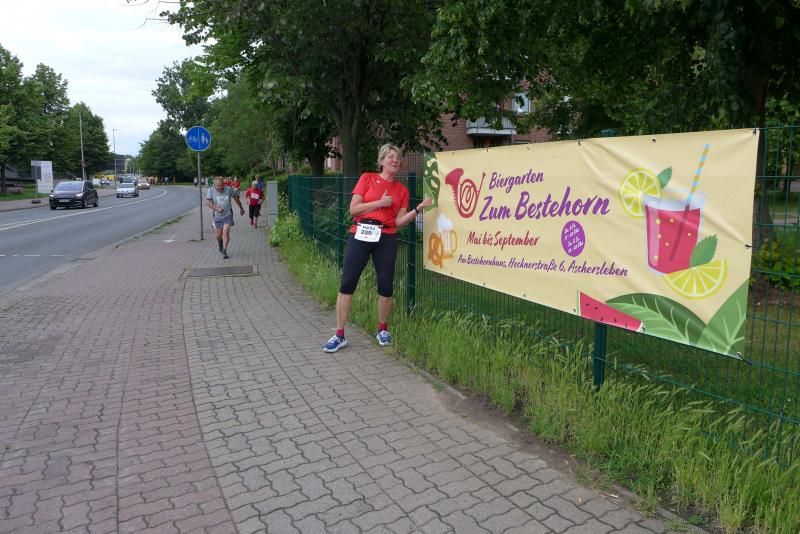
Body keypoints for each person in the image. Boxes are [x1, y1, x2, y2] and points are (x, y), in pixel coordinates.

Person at [323, 143, 432, 353]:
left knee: (386, 285)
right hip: (361, 232)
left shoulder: (402, 190)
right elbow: (353, 209)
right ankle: (339, 335)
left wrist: (418, 209)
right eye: (390, 157)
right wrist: (378, 204)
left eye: (398, 158)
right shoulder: (367, 178)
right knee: (347, 282)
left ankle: (382, 329)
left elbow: (399, 221)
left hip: (386, 236)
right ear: (381, 161)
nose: (395, 160)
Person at [206, 176, 245, 259]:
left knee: (226, 231)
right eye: (218, 186)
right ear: (215, 185)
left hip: (228, 214)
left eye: (222, 186)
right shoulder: (211, 190)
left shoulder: (229, 189)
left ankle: (224, 250)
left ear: (224, 184)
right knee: (218, 236)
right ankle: (220, 244)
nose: (220, 188)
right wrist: (217, 209)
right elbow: (208, 203)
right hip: (217, 216)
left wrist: (241, 208)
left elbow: (236, 199)